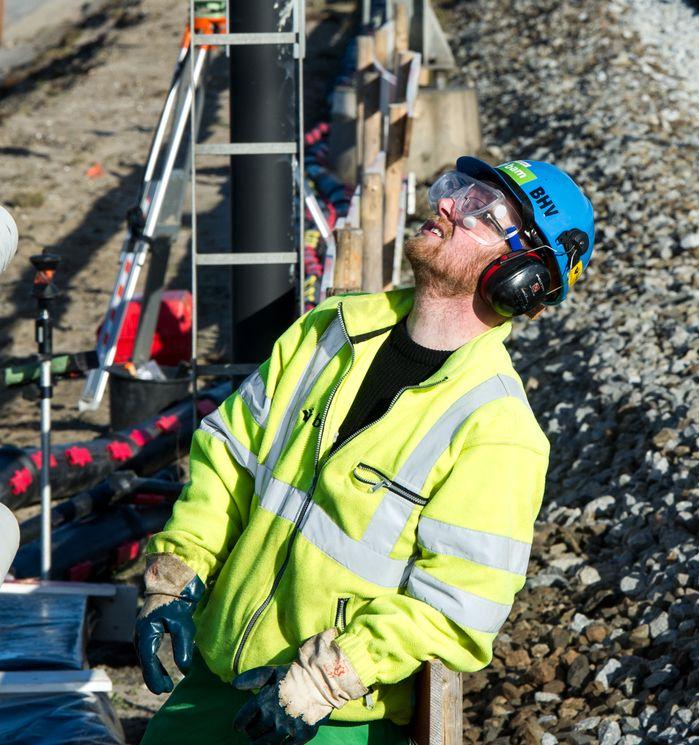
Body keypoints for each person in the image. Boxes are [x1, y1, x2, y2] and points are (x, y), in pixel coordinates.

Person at [136, 156, 595, 744]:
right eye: (460, 189)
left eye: (482, 210)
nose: (447, 203)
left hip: (331, 719)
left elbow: (457, 608)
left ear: (523, 276)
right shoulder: (330, 328)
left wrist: (324, 680)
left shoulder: (497, 430)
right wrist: (178, 572)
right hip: (217, 673)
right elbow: (227, 458)